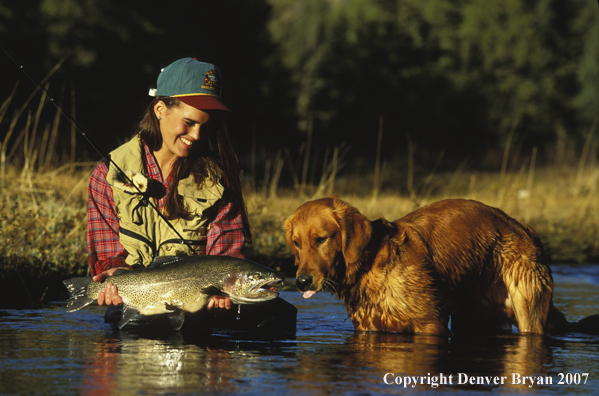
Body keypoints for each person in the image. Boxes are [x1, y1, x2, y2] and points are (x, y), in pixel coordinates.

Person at [86, 57, 251, 311]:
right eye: (189, 122)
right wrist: (113, 271)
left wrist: (225, 290)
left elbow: (226, 255)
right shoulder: (106, 175)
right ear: (160, 109)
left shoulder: (219, 180)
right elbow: (107, 253)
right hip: (132, 309)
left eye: (205, 127)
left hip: (198, 313)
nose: (196, 136)